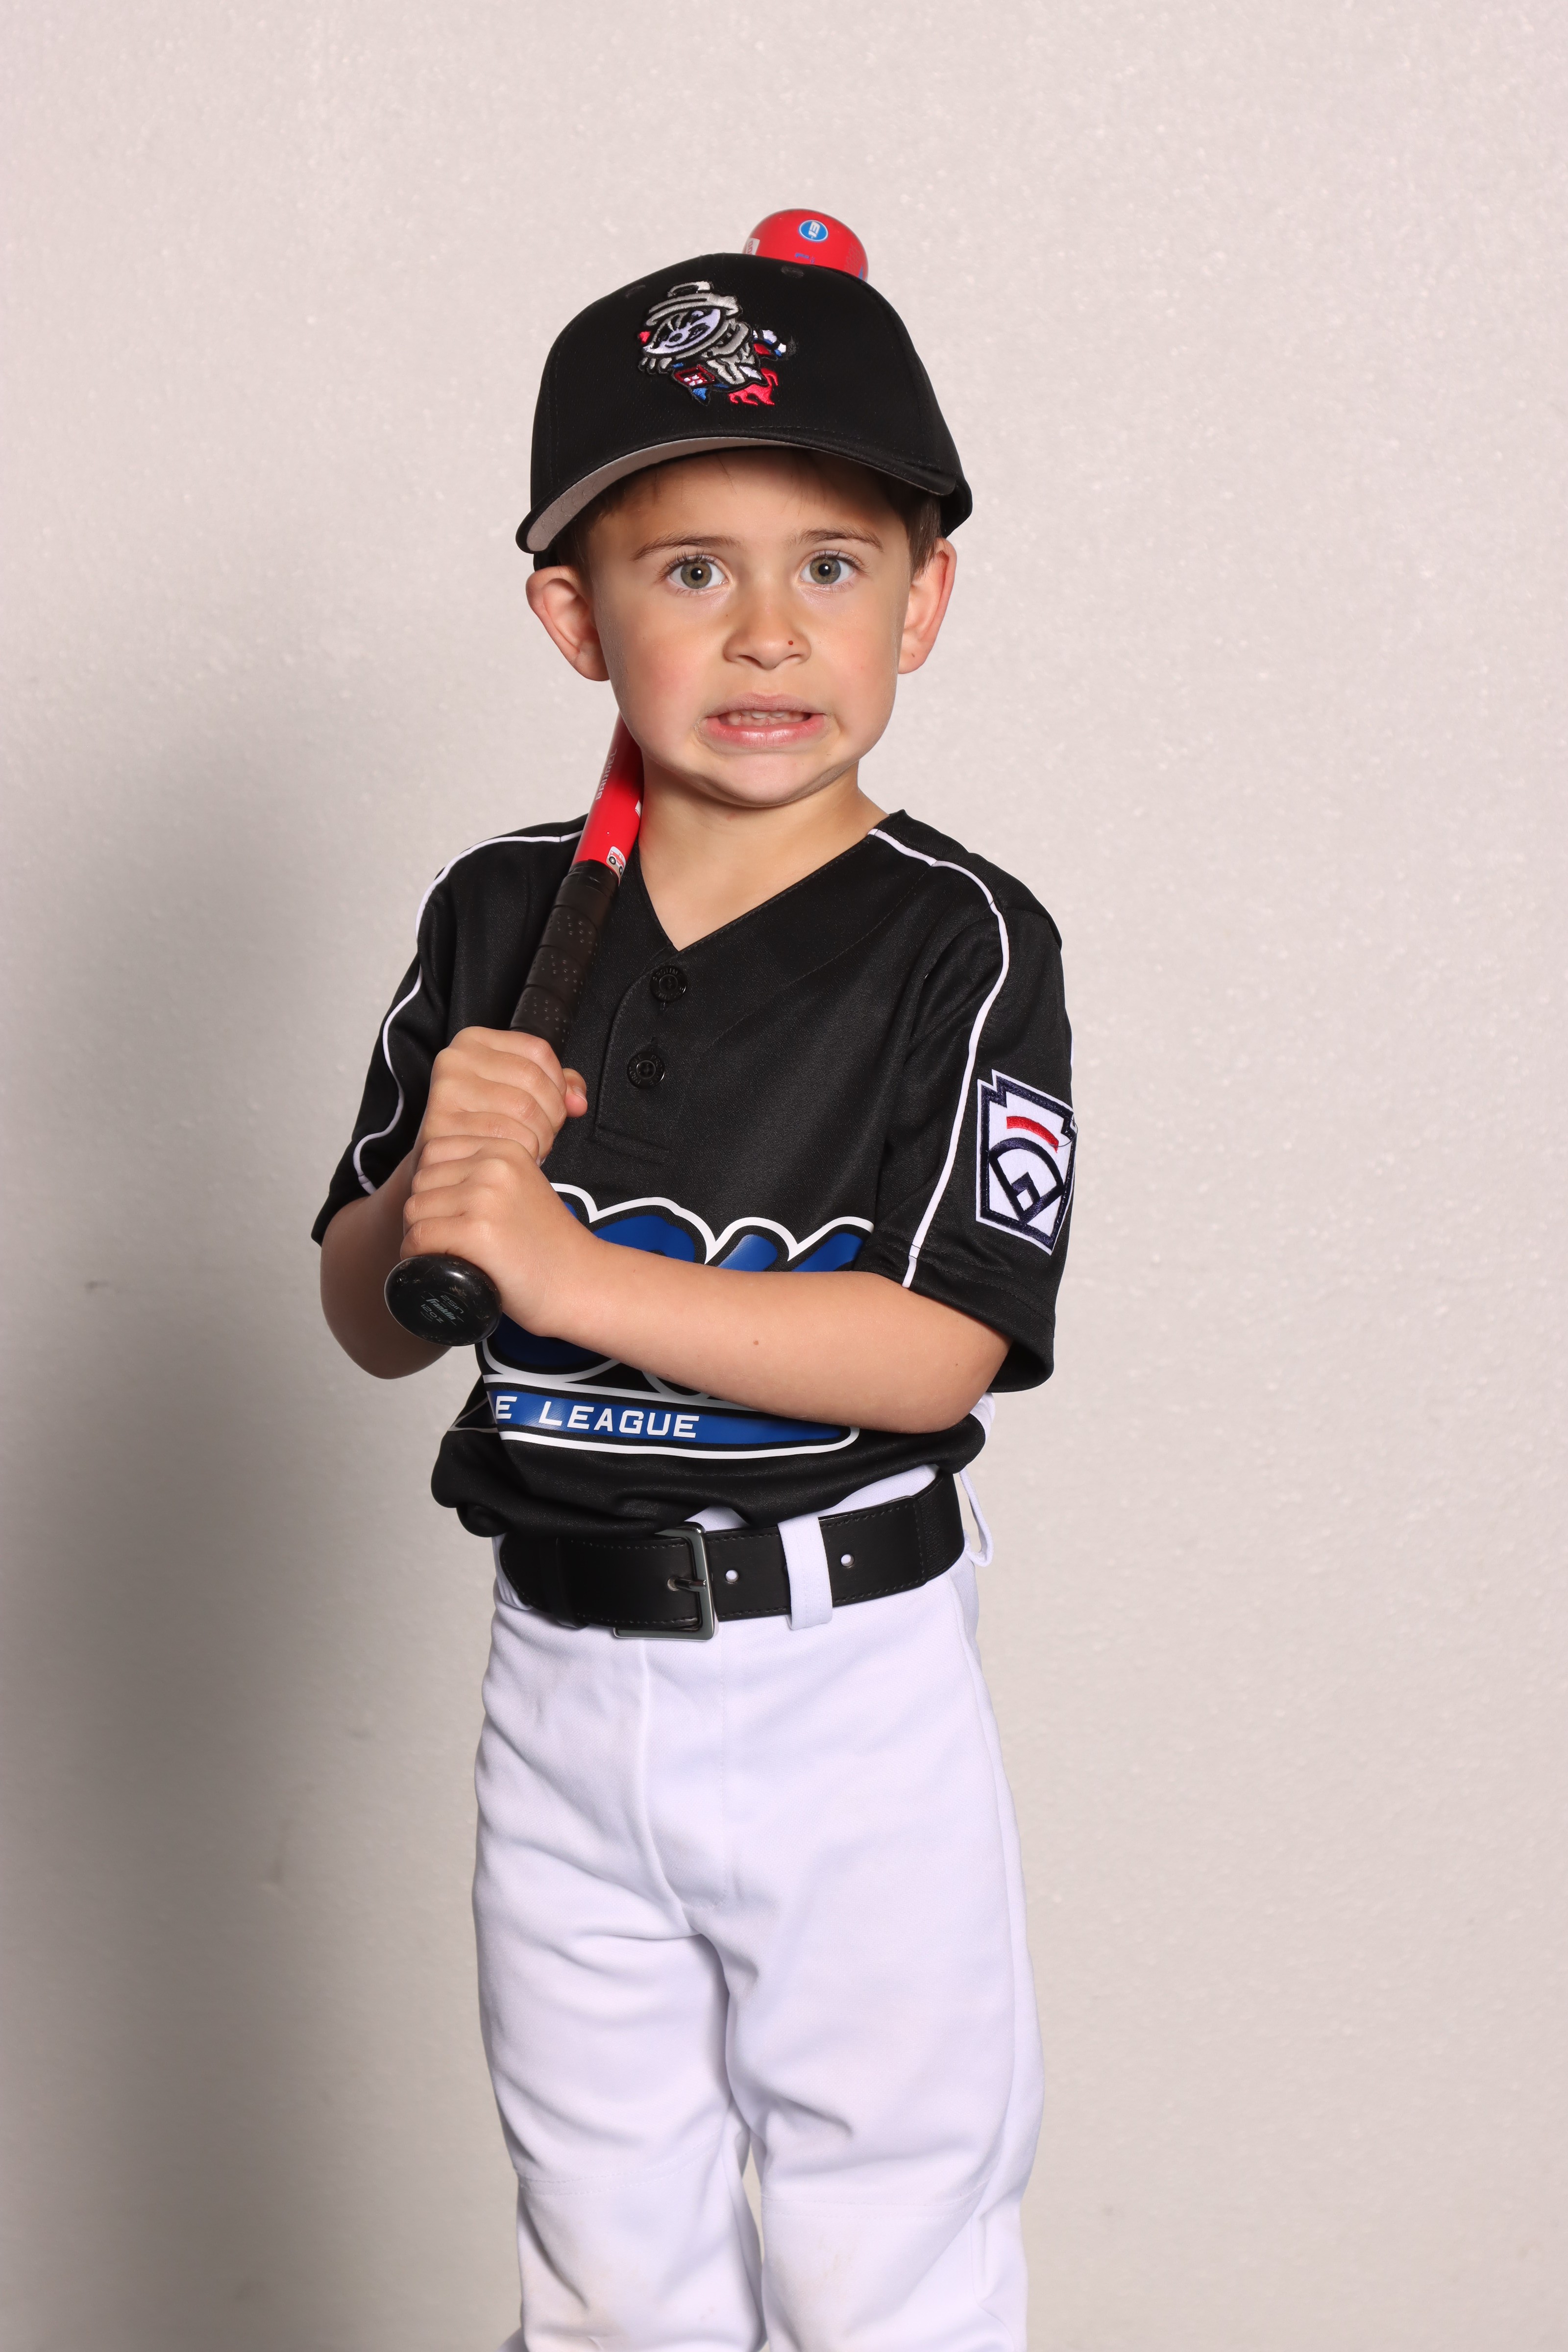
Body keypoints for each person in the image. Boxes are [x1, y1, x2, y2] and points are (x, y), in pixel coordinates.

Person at [315, 239, 1076, 2352]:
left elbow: (934, 1346)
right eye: (688, 571)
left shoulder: (956, 941)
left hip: (841, 1681)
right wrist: (430, 1176)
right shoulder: (497, 913)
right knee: (603, 2263)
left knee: (882, 2250)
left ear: (922, 601)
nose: (766, 631)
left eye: (832, 567)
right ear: (578, 618)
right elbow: (372, 1317)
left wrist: (567, 1261)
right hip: (559, 1674)